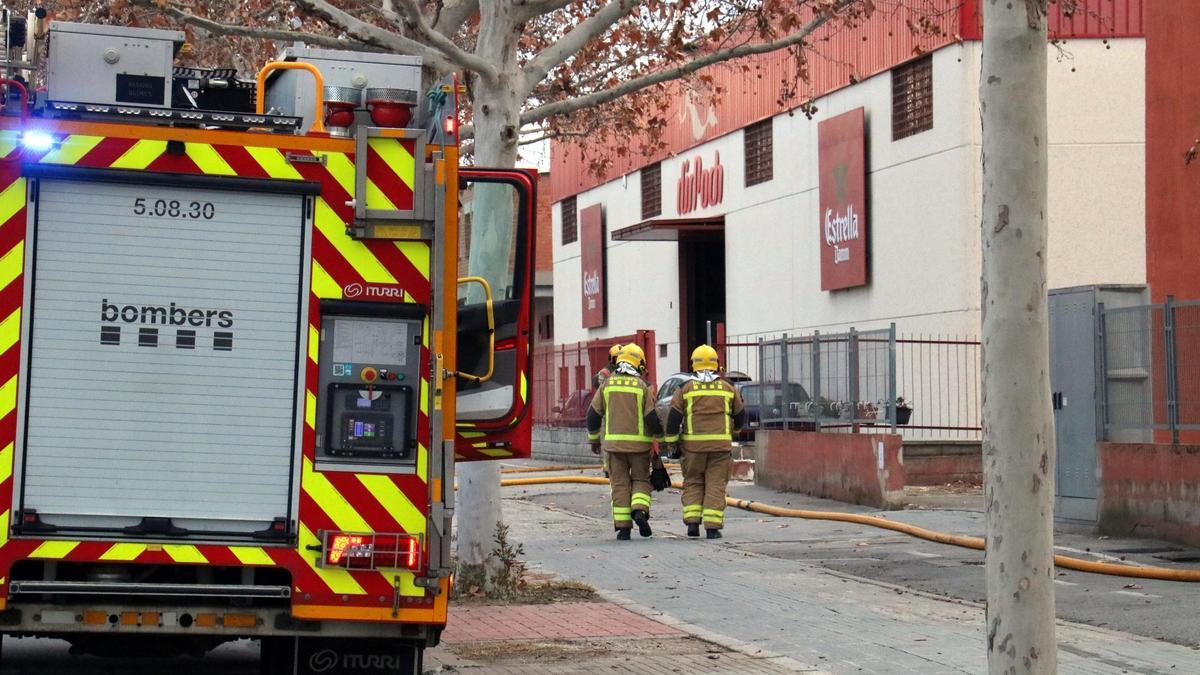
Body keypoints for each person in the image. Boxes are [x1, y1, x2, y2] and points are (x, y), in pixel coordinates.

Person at [664, 345, 747, 539]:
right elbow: (740, 414)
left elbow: (673, 418)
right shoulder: (728, 387)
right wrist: (734, 431)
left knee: (693, 482)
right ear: (716, 364)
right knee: (716, 484)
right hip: (720, 447)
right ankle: (712, 528)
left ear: (694, 364)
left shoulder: (685, 389)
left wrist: (672, 443)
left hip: (693, 449)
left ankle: (692, 524)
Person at [586, 343, 662, 540]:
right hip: (639, 448)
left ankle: (623, 528)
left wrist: (594, 440)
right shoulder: (643, 387)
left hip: (613, 447)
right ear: (638, 364)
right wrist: (661, 441)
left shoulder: (607, 385)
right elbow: (652, 417)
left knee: (619, 484)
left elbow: (593, 415)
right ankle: (639, 510)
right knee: (640, 480)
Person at [592, 343, 622, 477]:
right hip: (607, 411)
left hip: (617, 410)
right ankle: (608, 468)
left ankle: (616, 466)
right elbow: (601, 390)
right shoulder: (605, 373)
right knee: (606, 439)